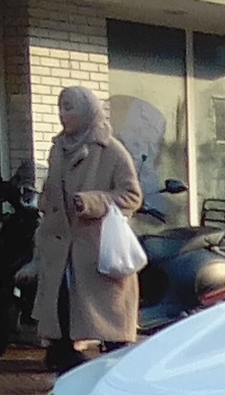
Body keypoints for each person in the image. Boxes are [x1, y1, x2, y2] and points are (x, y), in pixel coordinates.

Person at [32, 86, 143, 373]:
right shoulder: (58, 149)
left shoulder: (111, 150)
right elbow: (53, 188)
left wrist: (93, 202)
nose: (62, 114)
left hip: (95, 248)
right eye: (60, 107)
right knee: (59, 303)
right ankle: (61, 352)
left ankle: (115, 357)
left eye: (68, 107)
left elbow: (131, 196)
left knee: (106, 311)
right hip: (59, 245)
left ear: (86, 110)